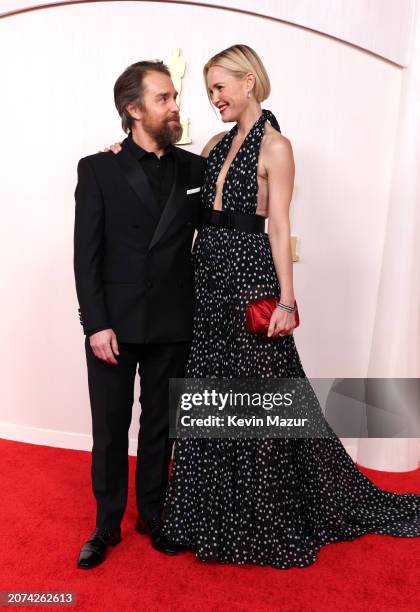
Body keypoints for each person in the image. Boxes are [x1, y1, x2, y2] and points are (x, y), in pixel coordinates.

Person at [158, 44, 420, 569]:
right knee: (209, 390)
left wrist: (287, 299)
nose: (213, 99)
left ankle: (261, 518)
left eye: (219, 87)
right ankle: (201, 516)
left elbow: (279, 225)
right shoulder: (213, 142)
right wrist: (126, 148)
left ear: (248, 82)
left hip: (250, 275)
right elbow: (174, 176)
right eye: (209, 90)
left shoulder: (276, 147)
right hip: (206, 280)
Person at [73, 60, 206, 569]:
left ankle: (152, 512)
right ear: (133, 110)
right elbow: (86, 254)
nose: (175, 106)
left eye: (174, 97)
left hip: (173, 319)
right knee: (109, 427)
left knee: (160, 427)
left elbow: (238, 162)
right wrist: (95, 324)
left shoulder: (192, 168)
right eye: (164, 98)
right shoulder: (98, 167)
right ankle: (106, 524)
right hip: (115, 323)